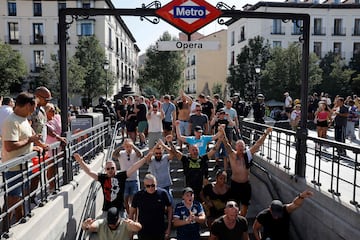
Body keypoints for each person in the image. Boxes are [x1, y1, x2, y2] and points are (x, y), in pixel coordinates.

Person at [1, 92, 43, 222]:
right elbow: (10, 146)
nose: (34, 110)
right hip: (14, 168)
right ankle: (4, 227)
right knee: (13, 198)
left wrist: (34, 145)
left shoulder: (23, 119)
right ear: (27, 105)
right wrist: (30, 141)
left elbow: (29, 138)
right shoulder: (11, 121)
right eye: (34, 107)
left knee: (19, 197)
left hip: (24, 165)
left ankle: (20, 219)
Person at [73, 150, 151, 214]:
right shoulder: (102, 178)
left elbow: (133, 167)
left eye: (112, 168)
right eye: (108, 169)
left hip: (120, 211)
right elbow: (89, 171)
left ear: (115, 168)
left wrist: (145, 159)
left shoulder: (121, 176)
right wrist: (81, 162)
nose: (110, 170)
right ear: (105, 170)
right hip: (106, 211)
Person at [222, 127, 273, 217]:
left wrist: (266, 133)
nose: (241, 148)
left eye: (242, 146)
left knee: (245, 206)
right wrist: (222, 132)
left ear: (244, 147)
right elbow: (226, 144)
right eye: (239, 146)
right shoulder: (233, 155)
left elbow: (258, 144)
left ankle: (242, 219)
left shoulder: (248, 155)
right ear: (236, 147)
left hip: (245, 184)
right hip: (235, 184)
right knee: (234, 205)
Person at [167, 132, 223, 200]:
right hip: (189, 188)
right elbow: (175, 152)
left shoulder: (202, 159)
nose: (195, 151)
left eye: (196, 150)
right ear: (189, 151)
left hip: (200, 189)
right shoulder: (186, 159)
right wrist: (170, 142)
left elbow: (214, 150)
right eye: (193, 150)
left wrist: (220, 140)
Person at [129, 174, 172, 240]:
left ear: (156, 183)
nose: (151, 188)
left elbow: (170, 209)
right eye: (148, 186)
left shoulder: (163, 194)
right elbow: (131, 213)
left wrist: (169, 228)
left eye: (153, 185)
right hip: (143, 232)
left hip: (159, 231)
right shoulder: (138, 195)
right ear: (144, 185)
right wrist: (131, 231)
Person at [29, 86, 52, 204]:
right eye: (46, 99)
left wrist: (56, 137)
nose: (48, 102)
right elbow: (29, 131)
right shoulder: (30, 111)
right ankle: (30, 198)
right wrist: (41, 144)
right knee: (34, 175)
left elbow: (45, 126)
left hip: (41, 148)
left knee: (38, 174)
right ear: (38, 97)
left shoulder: (42, 110)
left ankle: (32, 196)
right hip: (33, 149)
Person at [112, 138, 144, 214]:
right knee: (125, 201)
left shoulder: (135, 153)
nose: (128, 148)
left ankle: (135, 218)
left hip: (134, 180)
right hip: (124, 181)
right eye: (127, 146)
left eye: (130, 146)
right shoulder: (121, 153)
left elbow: (141, 154)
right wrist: (121, 146)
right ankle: (129, 214)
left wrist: (133, 146)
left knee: (134, 201)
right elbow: (114, 154)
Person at [45, 103, 67, 192]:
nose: (53, 111)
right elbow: (50, 132)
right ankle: (51, 186)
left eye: (54, 109)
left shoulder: (57, 117)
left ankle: (55, 184)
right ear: (46, 112)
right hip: (50, 146)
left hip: (58, 146)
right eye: (51, 110)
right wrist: (59, 138)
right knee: (51, 166)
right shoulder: (44, 121)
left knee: (56, 166)